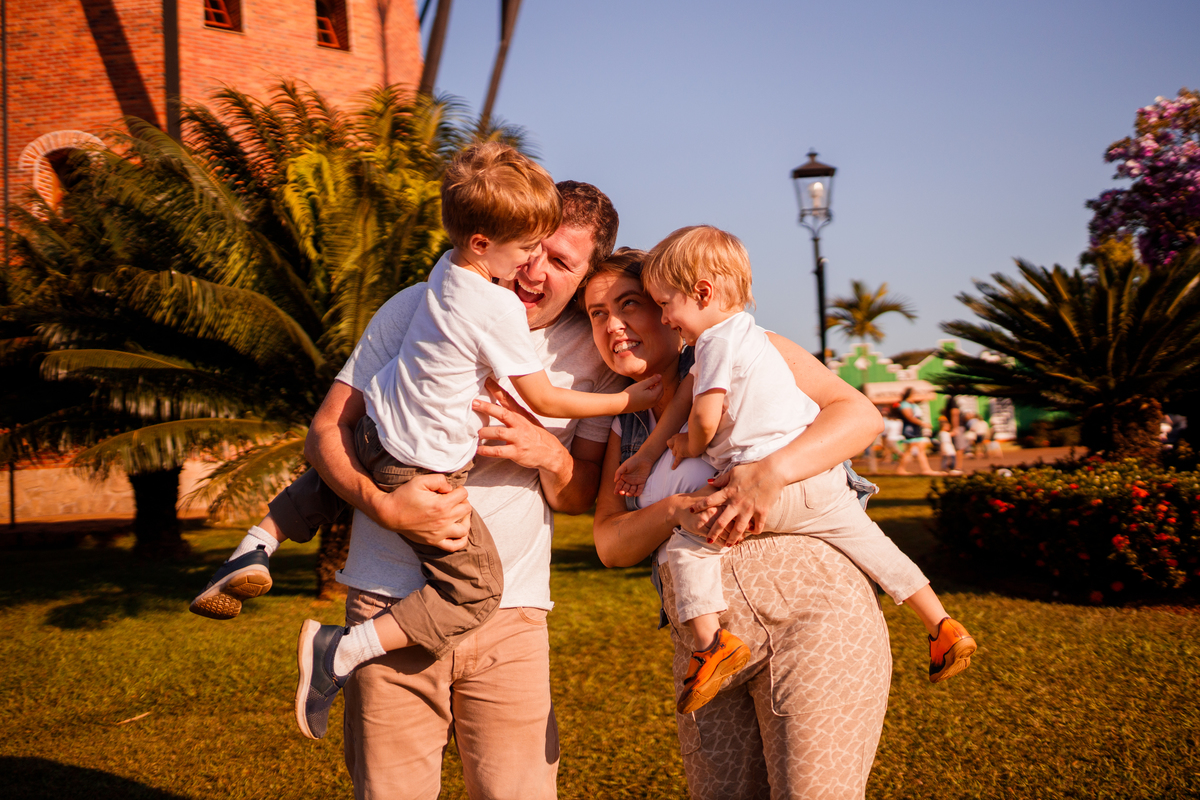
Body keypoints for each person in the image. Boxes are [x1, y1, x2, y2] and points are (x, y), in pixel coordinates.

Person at [189, 145, 659, 741]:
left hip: (513, 617)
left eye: (561, 262)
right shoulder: (418, 304)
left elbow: (578, 498)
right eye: (532, 247)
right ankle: (318, 623)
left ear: (588, 274)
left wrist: (548, 453)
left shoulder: (593, 352)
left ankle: (258, 544)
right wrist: (383, 506)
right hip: (385, 598)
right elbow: (324, 433)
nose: (535, 270)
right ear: (497, 237)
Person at [610, 227, 974, 716]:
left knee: (687, 545)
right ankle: (942, 625)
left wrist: (686, 444)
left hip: (761, 485)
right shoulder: (757, 339)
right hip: (819, 483)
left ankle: (712, 643)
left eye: (665, 303)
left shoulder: (714, 343)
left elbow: (701, 414)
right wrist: (649, 451)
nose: (666, 318)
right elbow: (684, 400)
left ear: (702, 292)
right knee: (871, 543)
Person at [583, 250, 894, 797]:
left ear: (668, 307)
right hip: (707, 647)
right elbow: (610, 543)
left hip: (813, 612)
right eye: (596, 313)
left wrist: (770, 473)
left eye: (630, 304)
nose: (613, 325)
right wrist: (673, 511)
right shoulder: (624, 424)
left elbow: (860, 415)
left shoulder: (754, 348)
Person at [895, 387, 942, 476]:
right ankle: (922, 469)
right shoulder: (905, 404)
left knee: (916, 450)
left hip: (915, 429)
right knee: (912, 450)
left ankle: (922, 469)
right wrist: (923, 423)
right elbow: (909, 417)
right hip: (911, 429)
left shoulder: (911, 404)